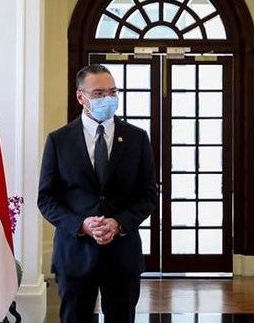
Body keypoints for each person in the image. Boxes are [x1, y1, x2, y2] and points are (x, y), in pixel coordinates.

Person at [38, 64, 157, 323]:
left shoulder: (137, 138)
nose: (108, 99)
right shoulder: (59, 140)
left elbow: (148, 195)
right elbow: (46, 199)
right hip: (75, 255)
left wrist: (119, 223)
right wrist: (81, 224)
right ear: (81, 97)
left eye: (113, 92)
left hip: (122, 255)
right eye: (99, 93)